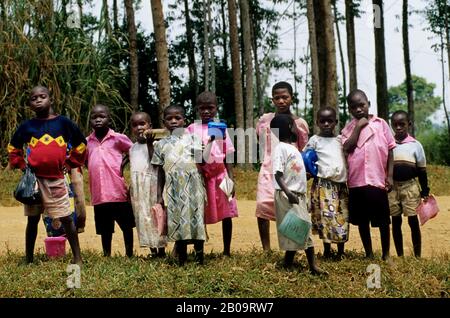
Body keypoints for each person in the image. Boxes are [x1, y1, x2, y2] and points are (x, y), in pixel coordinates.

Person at [8, 85, 85, 264]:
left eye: (42, 96)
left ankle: (77, 258)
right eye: (34, 98)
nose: (38, 100)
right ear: (30, 104)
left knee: (66, 218)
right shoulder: (27, 126)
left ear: (50, 99)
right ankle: (29, 258)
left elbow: (81, 145)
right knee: (33, 220)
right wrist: (21, 166)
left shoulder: (64, 123)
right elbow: (13, 148)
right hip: (33, 182)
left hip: (56, 179)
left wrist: (69, 163)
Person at [342, 89, 396, 260]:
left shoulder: (381, 124)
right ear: (349, 110)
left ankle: (386, 254)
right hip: (356, 181)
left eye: (362, 105)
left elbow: (390, 149)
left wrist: (390, 176)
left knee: (382, 220)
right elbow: (347, 147)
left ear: (368, 104)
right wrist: (358, 127)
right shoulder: (348, 128)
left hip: (377, 179)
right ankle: (369, 253)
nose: (358, 109)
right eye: (354, 107)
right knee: (362, 221)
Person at [255, 81, 309, 251]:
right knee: (263, 205)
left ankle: (293, 248)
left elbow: (303, 148)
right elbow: (262, 141)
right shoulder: (265, 120)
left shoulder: (299, 123)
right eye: (277, 98)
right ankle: (266, 249)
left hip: (291, 172)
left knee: (293, 207)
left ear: (291, 98)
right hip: (269, 168)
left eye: (285, 97)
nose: (281, 101)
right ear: (272, 100)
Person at [271, 114, 326, 275]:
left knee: (296, 229)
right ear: (289, 128)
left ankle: (288, 262)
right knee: (300, 228)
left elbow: (291, 171)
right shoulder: (280, 148)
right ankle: (313, 266)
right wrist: (289, 193)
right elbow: (277, 174)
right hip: (288, 195)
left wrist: (305, 176)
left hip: (297, 195)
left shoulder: (292, 148)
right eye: (295, 125)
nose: (297, 128)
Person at [152, 105, 206, 265]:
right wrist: (159, 194)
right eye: (169, 118)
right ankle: (181, 258)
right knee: (178, 222)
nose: (174, 121)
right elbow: (159, 172)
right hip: (173, 190)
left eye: (178, 118)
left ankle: (199, 257)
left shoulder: (194, 139)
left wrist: (209, 144)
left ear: (184, 120)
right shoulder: (160, 144)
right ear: (164, 122)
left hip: (194, 187)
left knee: (197, 220)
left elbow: (202, 161)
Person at [187, 91, 238, 256]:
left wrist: (230, 177)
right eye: (202, 108)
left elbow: (228, 153)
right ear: (197, 109)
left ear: (216, 108)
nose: (206, 111)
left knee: (227, 213)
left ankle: (227, 250)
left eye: (210, 108)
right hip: (201, 178)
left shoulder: (220, 127)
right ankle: (199, 250)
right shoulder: (191, 128)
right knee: (199, 213)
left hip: (221, 176)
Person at [86, 104, 135, 257]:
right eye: (94, 117)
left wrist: (125, 162)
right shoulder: (87, 142)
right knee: (105, 229)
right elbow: (83, 160)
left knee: (126, 226)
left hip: (117, 192)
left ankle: (129, 254)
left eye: (102, 116)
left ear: (109, 119)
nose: (98, 120)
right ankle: (107, 254)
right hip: (99, 194)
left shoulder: (118, 138)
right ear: (90, 120)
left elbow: (133, 150)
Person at [307, 107, 349, 259]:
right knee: (327, 218)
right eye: (322, 121)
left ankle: (341, 251)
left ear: (336, 122)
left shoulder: (340, 140)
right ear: (317, 122)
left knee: (342, 216)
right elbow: (307, 158)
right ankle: (327, 249)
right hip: (323, 185)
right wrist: (308, 172)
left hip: (341, 186)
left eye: (329, 121)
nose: (326, 124)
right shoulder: (314, 140)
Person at [389, 110, 429, 258]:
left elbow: (422, 170)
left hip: (410, 187)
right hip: (392, 188)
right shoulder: (389, 145)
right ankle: (400, 255)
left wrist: (425, 190)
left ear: (409, 125)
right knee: (396, 221)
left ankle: (417, 256)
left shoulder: (415, 145)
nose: (398, 127)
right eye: (395, 125)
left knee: (413, 221)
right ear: (391, 125)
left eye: (402, 124)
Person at [129, 112, 167, 258]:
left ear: (150, 126)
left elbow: (156, 163)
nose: (139, 127)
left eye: (142, 124)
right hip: (138, 190)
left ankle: (161, 250)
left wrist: (150, 144)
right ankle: (152, 250)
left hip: (153, 186)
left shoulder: (157, 144)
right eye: (135, 125)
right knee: (143, 218)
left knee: (156, 217)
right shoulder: (132, 148)